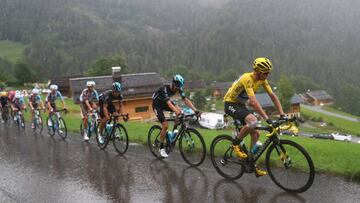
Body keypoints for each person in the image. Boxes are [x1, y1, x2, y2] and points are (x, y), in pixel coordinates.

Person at [223, 57, 285, 177]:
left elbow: (273, 96)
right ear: (258, 71)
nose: (267, 75)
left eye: (269, 73)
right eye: (266, 73)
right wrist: (267, 119)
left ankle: (251, 162)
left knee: (256, 133)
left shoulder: (262, 80)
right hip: (230, 103)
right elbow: (253, 102)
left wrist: (282, 114)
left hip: (240, 105)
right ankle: (235, 144)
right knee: (254, 121)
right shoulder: (247, 78)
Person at [152, 74, 201, 158]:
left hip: (165, 102)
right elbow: (168, 103)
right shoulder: (165, 89)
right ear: (173, 83)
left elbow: (185, 100)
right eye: (176, 86)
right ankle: (161, 147)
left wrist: (195, 110)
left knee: (180, 111)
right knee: (165, 125)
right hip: (157, 104)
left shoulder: (178, 88)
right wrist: (177, 112)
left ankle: (172, 134)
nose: (177, 89)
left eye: (179, 87)